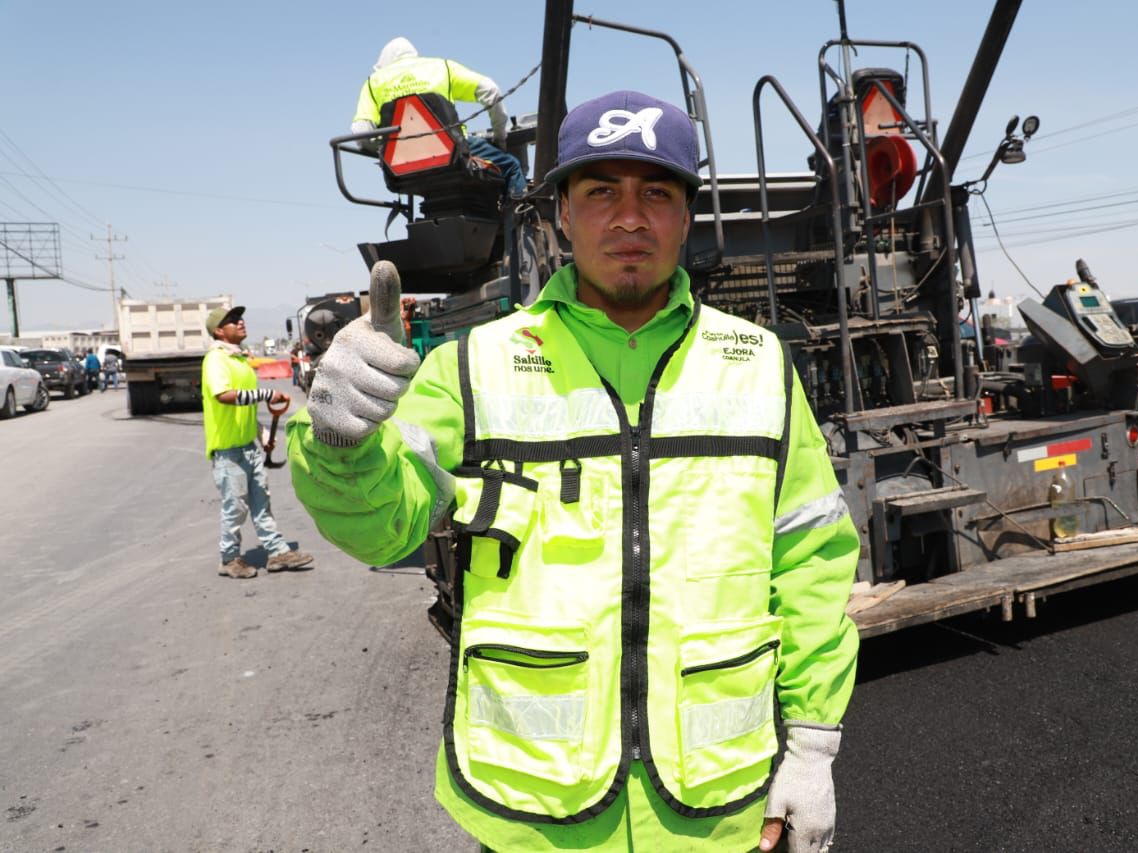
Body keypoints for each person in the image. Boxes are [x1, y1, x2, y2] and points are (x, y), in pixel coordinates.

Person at [289, 91, 859, 853]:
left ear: (687, 215)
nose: (629, 218)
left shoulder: (758, 367)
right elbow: (385, 525)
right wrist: (342, 443)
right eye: (600, 192)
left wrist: (812, 745)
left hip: (717, 808)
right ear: (561, 212)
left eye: (657, 193)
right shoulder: (473, 366)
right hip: (532, 813)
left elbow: (811, 559)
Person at [203, 306, 314, 580]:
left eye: (240, 318)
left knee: (261, 503)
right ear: (219, 331)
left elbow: (244, 409)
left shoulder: (240, 361)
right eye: (233, 320)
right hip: (228, 451)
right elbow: (223, 395)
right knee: (235, 507)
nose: (240, 322)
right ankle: (229, 558)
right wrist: (266, 394)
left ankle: (277, 552)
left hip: (247, 448)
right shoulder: (216, 359)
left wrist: (261, 433)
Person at [351, 37, 528, 197]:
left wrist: (386, 150)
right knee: (512, 166)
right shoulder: (441, 67)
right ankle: (518, 214)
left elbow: (361, 133)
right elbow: (491, 91)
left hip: (401, 168)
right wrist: (499, 139)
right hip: (453, 156)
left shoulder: (373, 83)